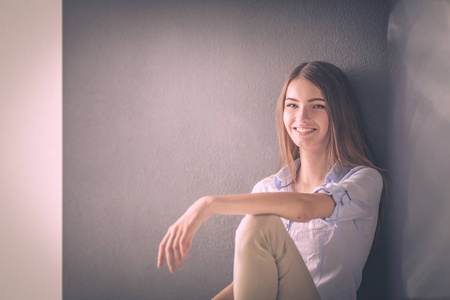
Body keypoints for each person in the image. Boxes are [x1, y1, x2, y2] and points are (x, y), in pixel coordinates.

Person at [157, 61, 385, 300]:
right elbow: (252, 283)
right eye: (292, 105)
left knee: (259, 225)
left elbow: (306, 208)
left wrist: (208, 204)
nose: (301, 117)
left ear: (339, 113)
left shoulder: (364, 181)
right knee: (257, 225)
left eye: (317, 105)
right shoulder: (266, 189)